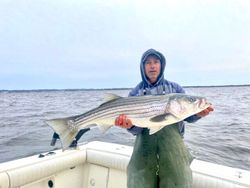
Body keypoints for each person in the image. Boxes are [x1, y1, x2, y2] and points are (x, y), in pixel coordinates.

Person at [114, 49, 214, 188]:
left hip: (173, 150)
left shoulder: (175, 88)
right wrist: (129, 126)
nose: (152, 66)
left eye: (156, 62)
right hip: (143, 151)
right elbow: (136, 130)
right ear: (143, 67)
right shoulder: (135, 92)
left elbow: (187, 117)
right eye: (148, 63)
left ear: (162, 65)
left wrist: (197, 114)